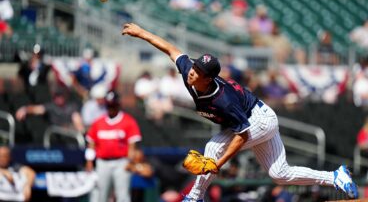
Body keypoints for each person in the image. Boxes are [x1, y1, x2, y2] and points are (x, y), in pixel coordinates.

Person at [122, 23, 359, 201]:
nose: (192, 72)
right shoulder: (188, 71)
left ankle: (195, 197)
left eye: (198, 71)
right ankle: (335, 177)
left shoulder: (223, 100)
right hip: (255, 117)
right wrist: (140, 32)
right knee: (280, 173)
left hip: (260, 120)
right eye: (194, 67)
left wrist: (218, 163)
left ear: (208, 77)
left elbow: (243, 135)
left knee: (214, 148)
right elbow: (170, 49)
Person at [85, 91, 142, 202]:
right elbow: (91, 143)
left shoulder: (128, 121)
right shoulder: (98, 122)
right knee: (101, 194)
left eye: (113, 105)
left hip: (121, 162)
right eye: (108, 105)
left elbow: (133, 145)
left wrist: (130, 161)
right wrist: (89, 161)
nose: (110, 108)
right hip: (102, 163)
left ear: (118, 105)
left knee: (123, 196)